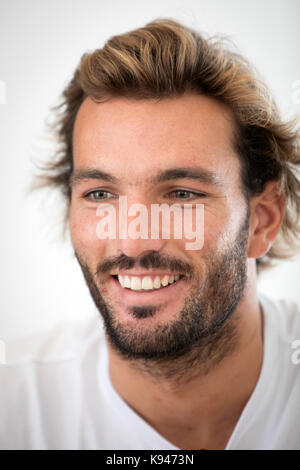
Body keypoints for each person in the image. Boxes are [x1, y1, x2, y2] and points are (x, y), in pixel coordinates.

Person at [1, 18, 300, 450]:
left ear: (263, 220)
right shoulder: (14, 410)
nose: (134, 242)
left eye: (181, 194)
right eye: (100, 193)